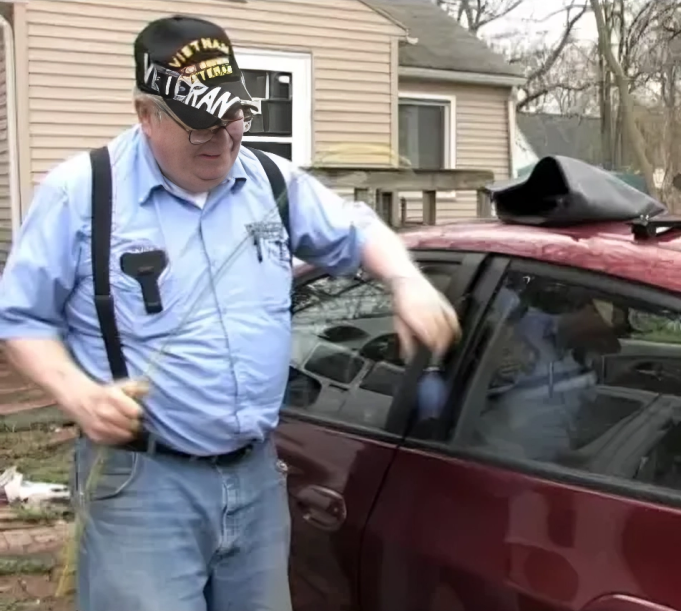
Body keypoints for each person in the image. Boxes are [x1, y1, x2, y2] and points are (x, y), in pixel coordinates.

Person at [0, 14, 461, 611]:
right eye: (199, 126)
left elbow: (356, 228)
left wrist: (406, 279)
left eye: (234, 116)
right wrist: (78, 395)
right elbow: (21, 318)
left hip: (256, 480)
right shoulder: (82, 194)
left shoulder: (270, 182)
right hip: (144, 486)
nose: (222, 139)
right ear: (147, 115)